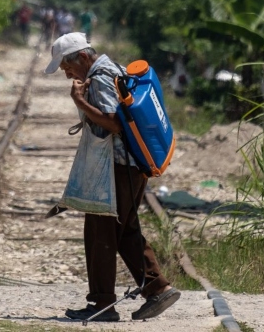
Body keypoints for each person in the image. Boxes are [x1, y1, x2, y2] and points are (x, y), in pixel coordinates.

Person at [44, 33, 181, 322]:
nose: (67, 74)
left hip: (118, 168)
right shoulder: (113, 69)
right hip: (129, 167)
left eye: (67, 67)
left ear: (82, 57)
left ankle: (101, 304)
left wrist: (80, 101)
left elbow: (114, 123)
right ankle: (158, 289)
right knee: (125, 232)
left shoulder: (102, 76)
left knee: (100, 233)